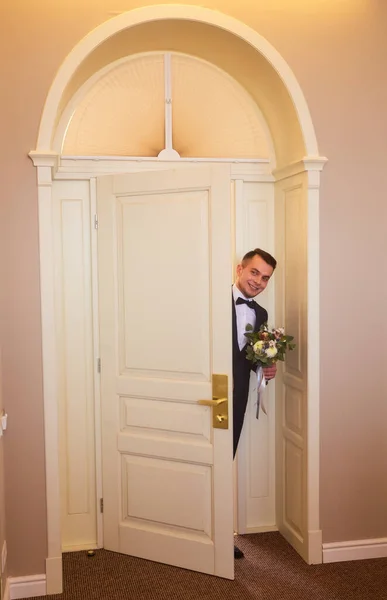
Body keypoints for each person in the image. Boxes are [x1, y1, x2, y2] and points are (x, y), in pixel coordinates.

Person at [232, 248, 277, 559]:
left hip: (235, 400)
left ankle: (220, 535)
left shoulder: (260, 313)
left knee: (225, 462)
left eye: (265, 278)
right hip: (205, 396)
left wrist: (264, 366)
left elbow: (249, 357)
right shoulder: (209, 300)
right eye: (254, 273)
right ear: (240, 269)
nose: (259, 281)